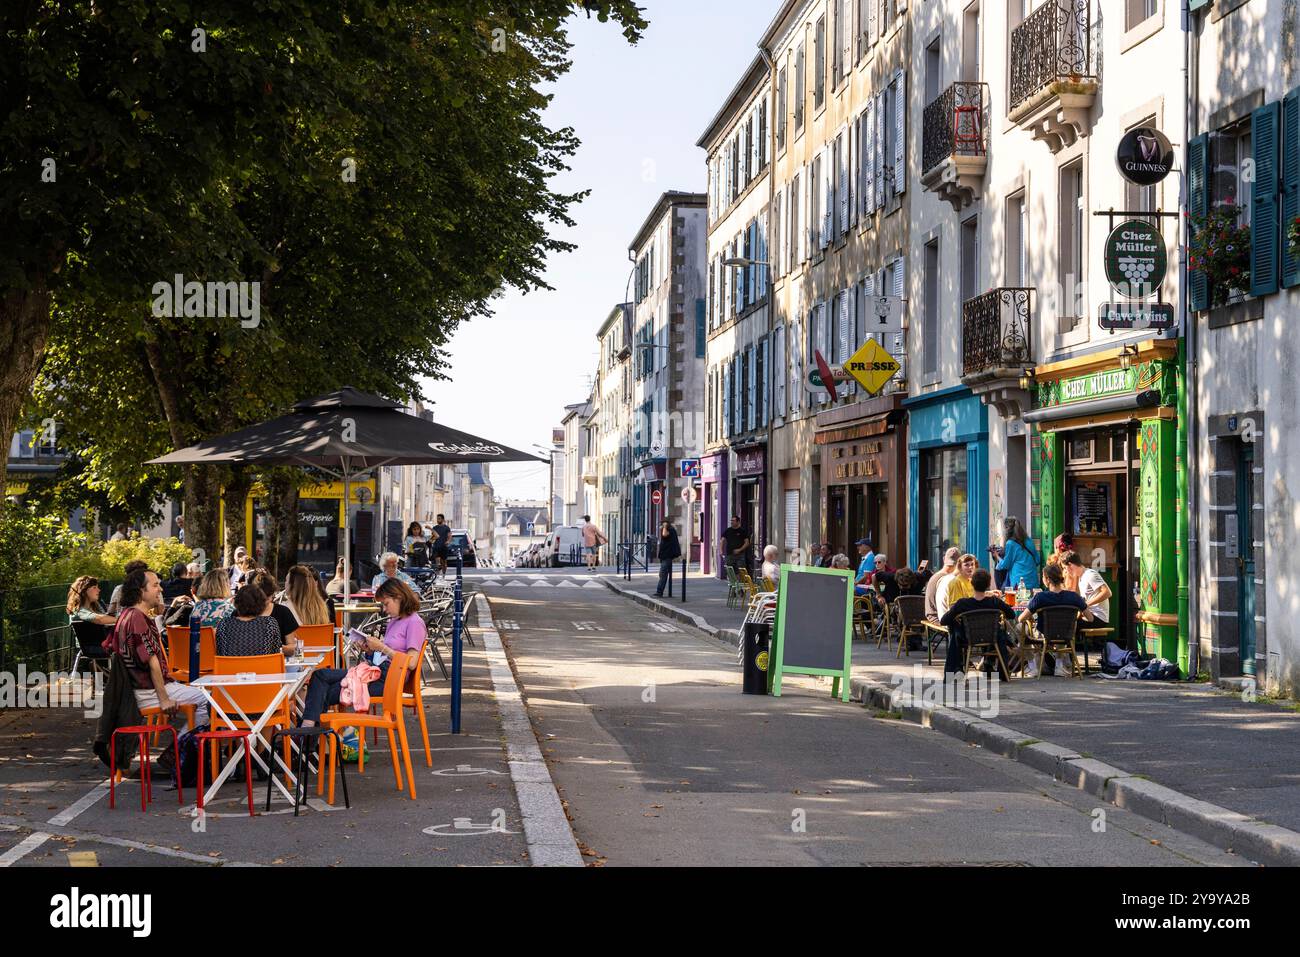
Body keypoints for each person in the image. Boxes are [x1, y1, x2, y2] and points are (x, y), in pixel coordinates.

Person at [299, 578, 426, 726]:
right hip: (377, 672)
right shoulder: (395, 621)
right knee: (320, 678)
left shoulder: (414, 622)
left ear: (399, 597)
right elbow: (386, 656)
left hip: (389, 679)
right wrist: (370, 651)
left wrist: (381, 647)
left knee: (322, 690)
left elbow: (411, 663)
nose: (384, 609)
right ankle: (310, 737)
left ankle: (307, 737)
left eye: (386, 604)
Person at [103, 567, 208, 734]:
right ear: (140, 591)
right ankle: (180, 750)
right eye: (155, 585)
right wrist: (164, 700)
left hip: (134, 690)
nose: (160, 589)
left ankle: (182, 749)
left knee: (204, 696)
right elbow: (152, 663)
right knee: (208, 700)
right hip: (146, 691)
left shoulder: (126, 615)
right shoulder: (137, 619)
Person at [940, 568, 1018, 681]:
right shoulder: (995, 602)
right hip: (992, 637)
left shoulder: (963, 604)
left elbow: (944, 621)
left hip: (968, 638)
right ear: (987, 585)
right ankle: (1002, 672)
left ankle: (954, 670)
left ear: (971, 584)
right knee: (1000, 632)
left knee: (955, 629)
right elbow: (1011, 614)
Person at [216, 582, 291, 657]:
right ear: (261, 604)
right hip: (263, 667)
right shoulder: (270, 623)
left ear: (237, 602)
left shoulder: (224, 624)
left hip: (230, 668)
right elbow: (276, 653)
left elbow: (220, 652)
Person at [1018, 563, 1094, 626]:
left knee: (1019, 627)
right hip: (1067, 636)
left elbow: (1021, 619)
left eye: (1043, 577)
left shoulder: (1039, 597)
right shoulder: (1074, 597)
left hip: (1044, 637)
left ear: (1047, 580)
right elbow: (1090, 618)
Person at [248, 569, 304, 648]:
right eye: (259, 598)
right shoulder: (240, 613)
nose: (263, 602)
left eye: (267, 598)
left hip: (276, 659)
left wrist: (277, 648)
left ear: (272, 595)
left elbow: (292, 646)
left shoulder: (283, 612)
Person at [1062, 551, 1112, 624]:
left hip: (1098, 617)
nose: (1065, 571)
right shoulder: (1081, 577)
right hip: (1089, 615)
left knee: (1068, 625)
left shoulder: (1090, 574)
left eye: (1065, 568)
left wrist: (1085, 604)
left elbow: (1107, 593)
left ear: (1070, 565)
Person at [282, 563, 335, 630]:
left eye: (286, 580)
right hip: (320, 640)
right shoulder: (322, 606)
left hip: (298, 640)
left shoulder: (286, 608)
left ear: (293, 586)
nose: (285, 583)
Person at [996, 518, 1041, 593]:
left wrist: (997, 556)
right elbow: (1037, 560)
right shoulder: (1029, 540)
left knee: (1019, 603)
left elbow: (1005, 565)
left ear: (1007, 530)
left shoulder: (1010, 543)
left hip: (1019, 582)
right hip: (1033, 581)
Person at [937, 553, 979, 622]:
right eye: (966, 565)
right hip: (956, 623)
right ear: (960, 568)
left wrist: (987, 593)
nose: (970, 567)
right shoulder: (956, 582)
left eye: (972, 564)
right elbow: (954, 609)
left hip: (968, 618)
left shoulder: (969, 580)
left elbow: (972, 597)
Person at [925, 548, 961, 623]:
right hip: (938, 619)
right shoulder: (947, 579)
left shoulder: (936, 576)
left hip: (934, 616)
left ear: (944, 559)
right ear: (958, 564)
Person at [654, 520, 682, 597]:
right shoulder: (670, 529)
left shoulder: (669, 530)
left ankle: (659, 592)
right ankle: (660, 591)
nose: (661, 527)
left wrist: (665, 527)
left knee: (663, 573)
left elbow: (664, 535)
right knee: (662, 573)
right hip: (664, 555)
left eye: (662, 525)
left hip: (667, 555)